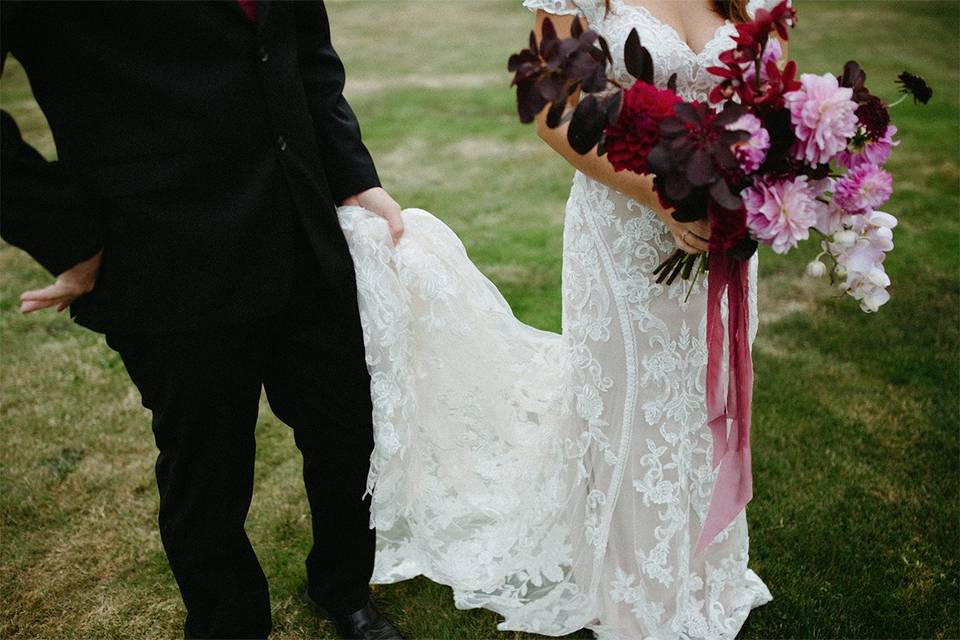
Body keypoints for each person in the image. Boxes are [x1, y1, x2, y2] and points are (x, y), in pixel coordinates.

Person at [341, 0, 780, 638]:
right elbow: (556, 109)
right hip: (623, 234)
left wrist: (755, 192)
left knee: (701, 396)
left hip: (723, 234)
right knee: (628, 403)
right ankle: (630, 582)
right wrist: (661, 199)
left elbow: (775, 107)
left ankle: (702, 569)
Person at [1, 2, 403, 639]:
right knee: (206, 468)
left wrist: (353, 176)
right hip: (160, 247)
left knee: (346, 432)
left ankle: (344, 586)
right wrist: (65, 232)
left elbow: (303, 50)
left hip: (301, 224)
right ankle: (228, 623)